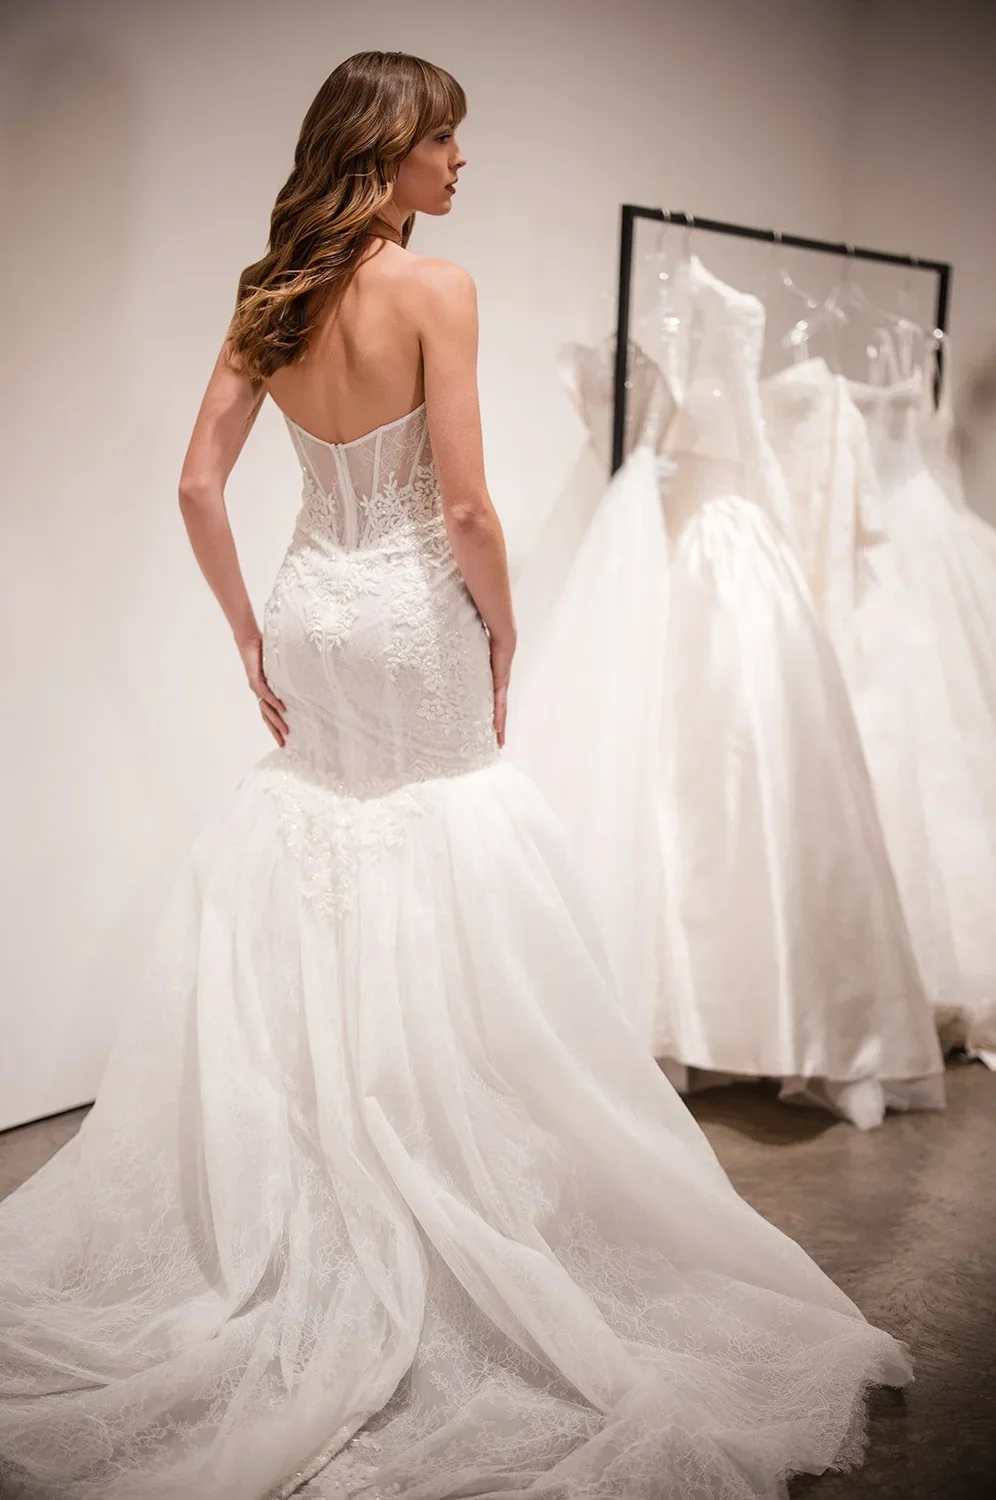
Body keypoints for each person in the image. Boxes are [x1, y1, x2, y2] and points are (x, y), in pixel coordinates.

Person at [0, 50, 910, 1500]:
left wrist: (246, 623)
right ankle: (439, 1169)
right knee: (446, 845)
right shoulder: (441, 290)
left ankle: (314, 1178)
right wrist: (505, 624)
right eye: (445, 141)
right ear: (389, 151)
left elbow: (196, 483)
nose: (461, 166)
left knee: (327, 836)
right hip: (415, 610)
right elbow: (472, 501)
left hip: (309, 602)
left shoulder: (268, 292)